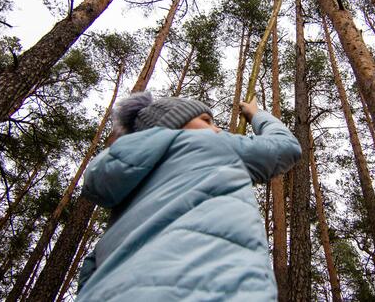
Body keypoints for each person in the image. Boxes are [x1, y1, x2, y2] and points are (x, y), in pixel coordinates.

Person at [75, 92, 301, 301]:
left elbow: (90, 271)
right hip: (214, 287)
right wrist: (256, 114)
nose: (218, 129)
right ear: (173, 124)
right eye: (206, 120)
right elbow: (285, 147)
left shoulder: (124, 197)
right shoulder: (203, 143)